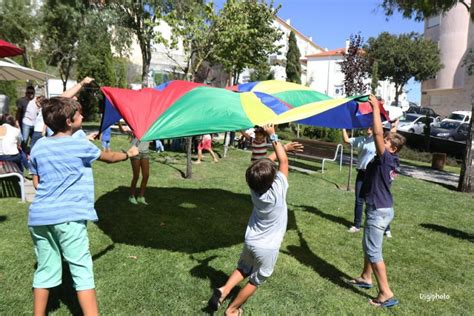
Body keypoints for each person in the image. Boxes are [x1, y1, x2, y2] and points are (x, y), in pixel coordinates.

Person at [28, 96, 138, 316]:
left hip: (38, 218)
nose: (83, 116)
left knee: (46, 268)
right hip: (68, 218)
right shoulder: (79, 145)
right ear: (69, 121)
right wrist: (128, 154)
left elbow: (36, 181)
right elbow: (109, 157)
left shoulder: (40, 145)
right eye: (79, 114)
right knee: (81, 270)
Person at [208, 124, 302, 315]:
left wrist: (275, 142)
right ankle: (232, 309)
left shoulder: (254, 189)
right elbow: (281, 161)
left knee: (243, 267)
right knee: (257, 279)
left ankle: (223, 290)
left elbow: (267, 163)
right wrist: (274, 137)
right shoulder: (278, 191)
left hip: (251, 240)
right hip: (267, 248)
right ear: (272, 178)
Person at [350, 95, 405, 308]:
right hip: (382, 207)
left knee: (374, 251)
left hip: (378, 211)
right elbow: (385, 133)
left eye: (387, 141)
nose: (383, 141)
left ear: (392, 148)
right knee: (369, 244)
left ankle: (386, 293)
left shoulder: (385, 157)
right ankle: (366, 276)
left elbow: (379, 133)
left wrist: (374, 109)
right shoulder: (390, 159)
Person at [343, 118, 399, 237]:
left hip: (375, 176)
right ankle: (357, 225)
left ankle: (385, 228)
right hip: (363, 173)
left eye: (371, 126)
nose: (369, 128)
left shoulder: (380, 145)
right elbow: (347, 140)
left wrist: (393, 125)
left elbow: (390, 138)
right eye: (367, 126)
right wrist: (343, 126)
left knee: (378, 202)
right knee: (360, 200)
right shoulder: (363, 140)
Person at [118, 122, 151, 205]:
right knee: (136, 176)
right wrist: (118, 122)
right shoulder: (134, 127)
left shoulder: (149, 128)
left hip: (145, 153)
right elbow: (122, 130)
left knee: (146, 175)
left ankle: (141, 196)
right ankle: (131, 196)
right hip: (135, 153)